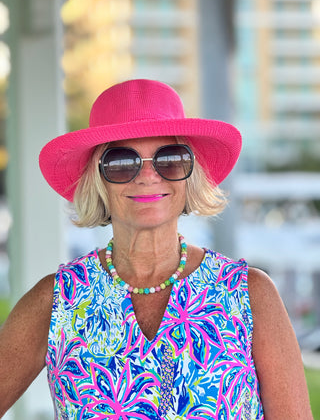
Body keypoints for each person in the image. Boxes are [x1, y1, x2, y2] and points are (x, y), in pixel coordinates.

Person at [0, 79, 313, 420]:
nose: (148, 176)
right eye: (122, 162)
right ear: (97, 178)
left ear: (188, 174)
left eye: (170, 159)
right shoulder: (56, 300)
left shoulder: (251, 295)